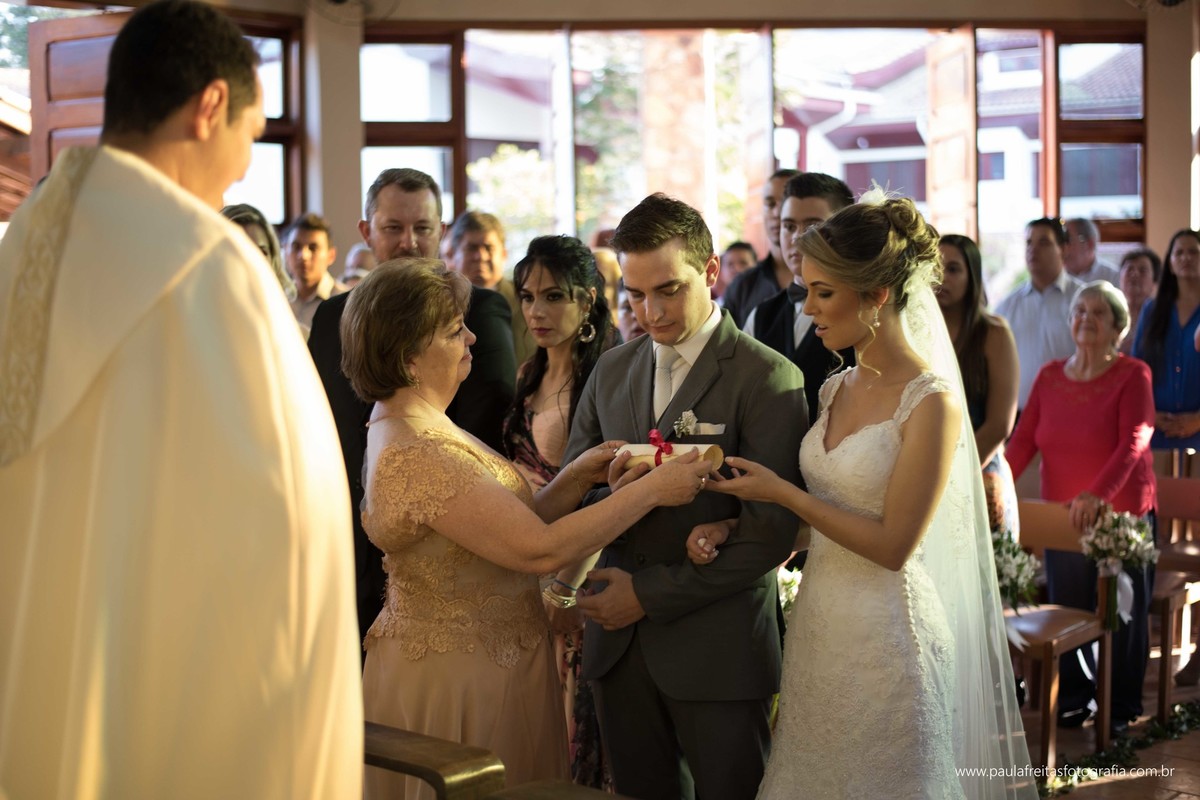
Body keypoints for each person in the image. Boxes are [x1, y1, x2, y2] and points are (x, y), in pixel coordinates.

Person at [0, 2, 361, 797]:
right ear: (208, 108)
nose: (240, 169)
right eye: (250, 136)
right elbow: (291, 526)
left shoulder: (21, 252)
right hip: (166, 691)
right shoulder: (209, 268)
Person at [689, 194, 1034, 798]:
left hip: (888, 637)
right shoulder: (833, 389)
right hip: (822, 628)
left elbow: (893, 545)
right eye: (807, 289)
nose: (810, 307)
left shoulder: (931, 402)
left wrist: (785, 495)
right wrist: (735, 528)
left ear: (876, 295)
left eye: (824, 292)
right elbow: (826, 523)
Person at [343, 260, 711, 799]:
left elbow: (505, 524)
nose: (473, 335)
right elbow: (536, 550)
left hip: (489, 660)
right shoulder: (418, 451)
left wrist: (577, 476)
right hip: (459, 678)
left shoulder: (418, 421)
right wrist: (650, 491)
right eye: (453, 331)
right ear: (408, 357)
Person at [562, 193, 807, 800]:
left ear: (712, 271)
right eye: (636, 295)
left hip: (717, 649)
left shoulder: (767, 376)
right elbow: (573, 500)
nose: (651, 312)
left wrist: (645, 596)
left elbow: (769, 533)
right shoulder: (611, 370)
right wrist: (614, 502)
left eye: (669, 290)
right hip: (616, 648)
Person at [306, 168, 516, 640]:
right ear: (367, 232)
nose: (409, 242)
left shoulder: (479, 309)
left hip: (445, 532)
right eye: (393, 228)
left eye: (423, 229)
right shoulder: (331, 317)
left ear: (441, 233)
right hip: (346, 534)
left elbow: (489, 413)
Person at [1006, 280, 1156, 733]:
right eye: (1079, 311)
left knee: (1121, 613)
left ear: (1118, 327)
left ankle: (1121, 705)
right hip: (1063, 518)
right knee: (1070, 606)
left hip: (1120, 515)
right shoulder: (1050, 375)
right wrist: (991, 487)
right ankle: (1074, 699)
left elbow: (1135, 441)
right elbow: (1023, 441)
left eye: (1098, 312)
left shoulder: (1134, 374)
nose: (1086, 318)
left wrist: (1097, 495)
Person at [502, 235, 617, 788]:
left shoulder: (605, 377)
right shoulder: (529, 372)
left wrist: (566, 587)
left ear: (587, 299)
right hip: (525, 559)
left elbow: (605, 494)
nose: (536, 311)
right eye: (527, 297)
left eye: (553, 297)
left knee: (575, 722)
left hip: (575, 569)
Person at [744, 172, 856, 419]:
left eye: (813, 226)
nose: (796, 238)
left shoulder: (860, 311)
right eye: (789, 226)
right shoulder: (761, 315)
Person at [936, 233, 1020, 536]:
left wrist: (956, 473)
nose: (941, 277)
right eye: (935, 266)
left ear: (973, 276)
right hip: (927, 473)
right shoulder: (918, 333)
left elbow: (1000, 425)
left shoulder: (993, 332)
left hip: (979, 471)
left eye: (953, 269)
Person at [995, 217, 1085, 410]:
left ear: (1064, 248)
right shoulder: (1008, 306)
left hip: (1072, 412)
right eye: (1029, 243)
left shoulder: (1082, 300)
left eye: (1043, 242)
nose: (1033, 249)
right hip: (1019, 416)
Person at [1131, 230, 1200, 452]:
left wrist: (1197, 420)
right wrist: (1151, 413)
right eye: (1178, 253)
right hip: (1156, 430)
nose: (1186, 258)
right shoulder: (1152, 310)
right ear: (1170, 264)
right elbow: (1137, 370)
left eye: (1193, 252)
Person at [447, 209, 536, 364]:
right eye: (472, 248)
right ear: (453, 254)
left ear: (504, 254)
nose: (481, 256)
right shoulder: (441, 306)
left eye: (489, 247)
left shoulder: (527, 300)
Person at [722, 168, 800, 327]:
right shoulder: (742, 286)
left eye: (786, 202)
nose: (777, 213)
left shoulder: (829, 281)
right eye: (770, 204)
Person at [286, 211, 347, 335]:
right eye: (296, 247)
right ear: (286, 252)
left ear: (331, 255)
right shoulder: (278, 298)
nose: (303, 255)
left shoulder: (346, 302)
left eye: (313, 248)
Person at [222, 202, 296, 299]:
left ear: (272, 258)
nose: (253, 261)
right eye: (239, 252)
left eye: (261, 252)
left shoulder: (281, 309)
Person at [1117, 247, 1160, 355]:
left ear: (1155, 282)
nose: (1134, 274)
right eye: (1129, 269)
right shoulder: (1110, 314)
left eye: (1142, 270)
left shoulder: (1163, 315)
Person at [1064, 217, 1120, 285]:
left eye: (1068, 240)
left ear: (1090, 244)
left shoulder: (1113, 278)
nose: (1063, 247)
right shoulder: (1053, 276)